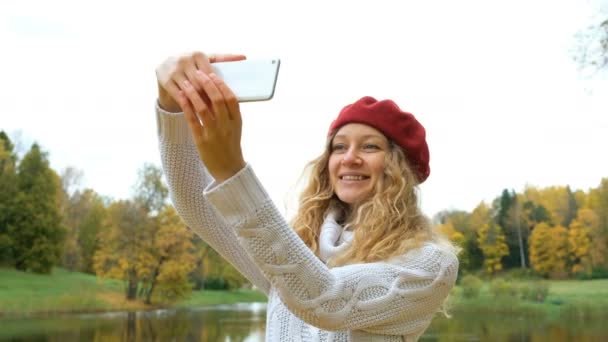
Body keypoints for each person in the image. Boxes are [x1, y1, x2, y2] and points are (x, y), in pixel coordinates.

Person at [155, 51, 459, 342]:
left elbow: (326, 300)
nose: (349, 158)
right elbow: (196, 203)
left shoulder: (430, 263)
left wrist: (233, 172)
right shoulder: (298, 245)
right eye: (339, 147)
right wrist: (172, 105)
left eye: (370, 147)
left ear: (399, 168)